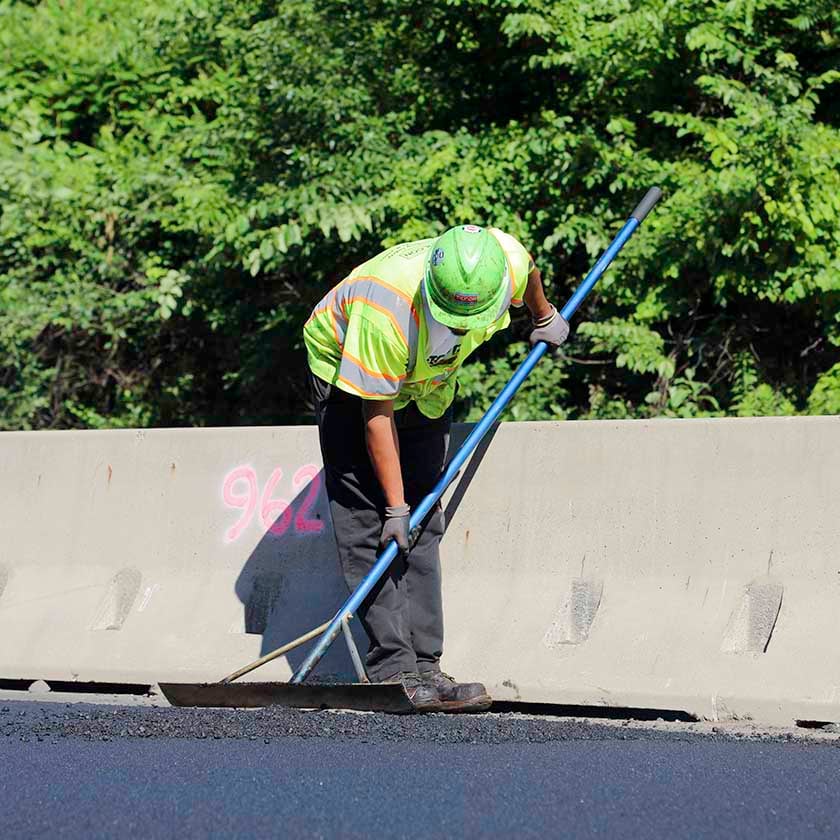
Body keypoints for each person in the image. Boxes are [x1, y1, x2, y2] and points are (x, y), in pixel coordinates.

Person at [303, 225, 569, 712]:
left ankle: (426, 667)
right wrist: (395, 507)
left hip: (428, 382)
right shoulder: (385, 309)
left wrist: (543, 314)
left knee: (426, 518)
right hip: (353, 379)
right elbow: (376, 417)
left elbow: (528, 268)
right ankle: (391, 667)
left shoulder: (502, 261)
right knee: (371, 521)